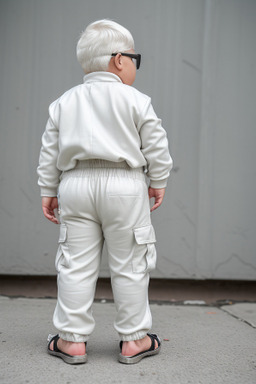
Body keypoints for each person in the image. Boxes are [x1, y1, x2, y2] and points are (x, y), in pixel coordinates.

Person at [37, 19, 173, 365]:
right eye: (134, 58)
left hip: (75, 184)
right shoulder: (136, 100)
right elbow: (155, 143)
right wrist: (158, 180)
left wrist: (47, 189)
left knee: (75, 264)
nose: (134, 65)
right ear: (118, 60)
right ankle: (135, 339)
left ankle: (71, 341)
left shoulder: (64, 102)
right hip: (125, 186)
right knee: (130, 264)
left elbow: (49, 151)